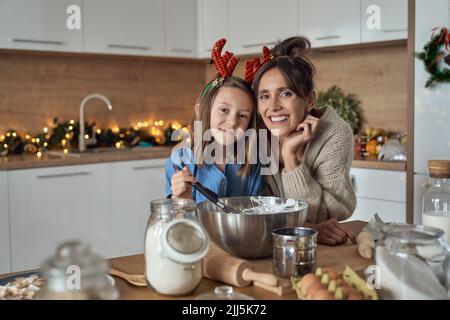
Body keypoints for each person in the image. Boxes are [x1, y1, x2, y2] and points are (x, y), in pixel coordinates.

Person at [252, 36, 357, 245]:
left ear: (309, 100)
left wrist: (291, 159)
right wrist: (306, 227)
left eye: (285, 93)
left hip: (314, 246)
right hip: (265, 241)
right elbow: (254, 208)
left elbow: (326, 215)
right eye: (264, 96)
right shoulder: (254, 133)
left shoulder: (334, 135)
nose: (273, 106)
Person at [165, 39, 262, 203]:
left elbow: (255, 214)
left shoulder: (253, 162)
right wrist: (182, 199)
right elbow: (177, 224)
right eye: (224, 110)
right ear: (201, 111)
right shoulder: (180, 160)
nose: (232, 122)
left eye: (243, 115)